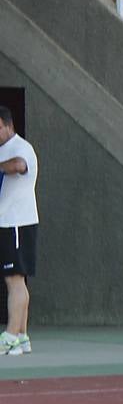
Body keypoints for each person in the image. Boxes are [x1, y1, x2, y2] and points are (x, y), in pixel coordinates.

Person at [0, 106, 37, 356]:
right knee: (17, 280)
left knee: (14, 280)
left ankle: (10, 336)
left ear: (8, 125)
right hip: (10, 222)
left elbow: (20, 166)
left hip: (17, 223)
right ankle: (22, 337)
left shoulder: (21, 148)